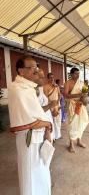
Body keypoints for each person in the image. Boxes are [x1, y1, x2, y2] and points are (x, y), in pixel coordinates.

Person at [8, 56, 52, 195]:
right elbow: (29, 121)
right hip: (29, 139)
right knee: (30, 174)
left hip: (38, 136)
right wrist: (48, 124)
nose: (36, 70)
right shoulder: (18, 89)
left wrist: (46, 128)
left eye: (36, 67)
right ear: (21, 71)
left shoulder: (28, 88)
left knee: (40, 171)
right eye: (31, 67)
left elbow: (36, 114)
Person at [64, 67, 89, 153]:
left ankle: (79, 141)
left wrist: (85, 96)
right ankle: (71, 144)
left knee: (82, 122)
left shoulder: (81, 83)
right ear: (71, 74)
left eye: (78, 73)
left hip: (80, 105)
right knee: (72, 125)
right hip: (72, 106)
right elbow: (66, 95)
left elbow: (85, 94)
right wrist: (78, 94)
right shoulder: (67, 83)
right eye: (76, 73)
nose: (77, 75)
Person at [44, 73, 61, 140]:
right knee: (51, 121)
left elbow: (59, 95)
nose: (52, 79)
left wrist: (57, 102)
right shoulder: (45, 87)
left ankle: (57, 135)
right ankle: (52, 137)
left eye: (53, 78)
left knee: (57, 121)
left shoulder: (56, 86)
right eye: (50, 78)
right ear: (47, 78)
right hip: (50, 105)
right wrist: (51, 105)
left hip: (57, 104)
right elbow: (45, 97)